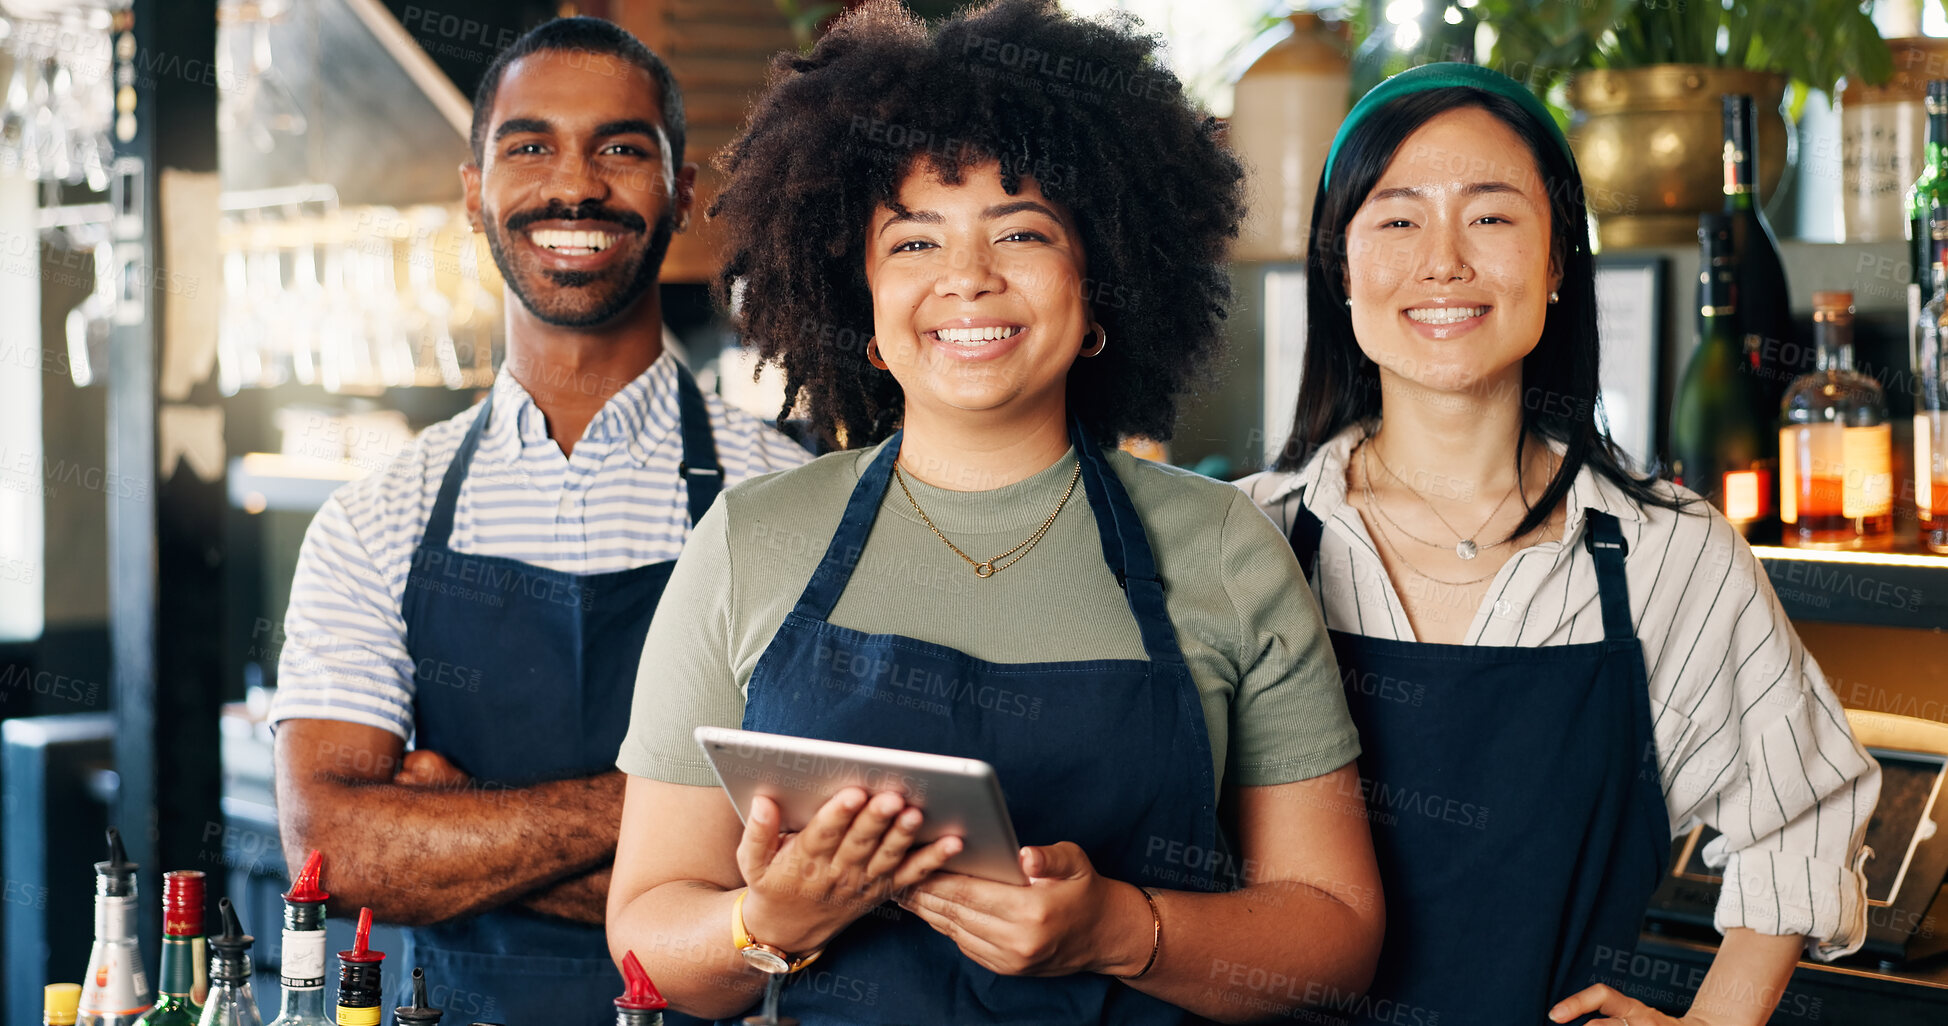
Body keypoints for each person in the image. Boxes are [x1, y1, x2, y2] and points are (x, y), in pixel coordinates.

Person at [604, 2, 1386, 1023]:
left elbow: (1334, 939)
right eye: (915, 243)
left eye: (1019, 231)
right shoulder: (750, 543)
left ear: (1101, 287)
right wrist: (768, 922)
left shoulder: (1226, 547)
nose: (967, 279)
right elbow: (646, 937)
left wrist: (1119, 930)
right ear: (864, 318)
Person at [1239, 62, 1880, 1026]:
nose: (1444, 261)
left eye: (1491, 216)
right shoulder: (1242, 540)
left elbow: (1802, 811)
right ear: (1340, 265)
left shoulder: (1667, 552)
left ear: (1556, 262)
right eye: (1398, 218)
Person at [269, 18, 810, 1025]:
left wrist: (451, 819)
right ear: (474, 191)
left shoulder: (791, 500)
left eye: (620, 148)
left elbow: (807, 865)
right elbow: (331, 854)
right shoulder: (374, 519)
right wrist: (679, 826)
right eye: (529, 147)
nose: (575, 186)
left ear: (680, 193)